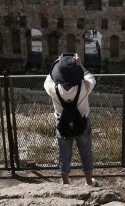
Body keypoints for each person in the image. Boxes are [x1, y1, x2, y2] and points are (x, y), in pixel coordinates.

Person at [44, 53, 98, 186]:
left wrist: (58, 63)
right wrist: (79, 63)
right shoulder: (84, 86)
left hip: (62, 124)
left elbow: (48, 79)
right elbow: (91, 77)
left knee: (64, 154)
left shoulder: (52, 89)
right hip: (82, 123)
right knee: (86, 153)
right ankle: (89, 182)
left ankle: (66, 183)